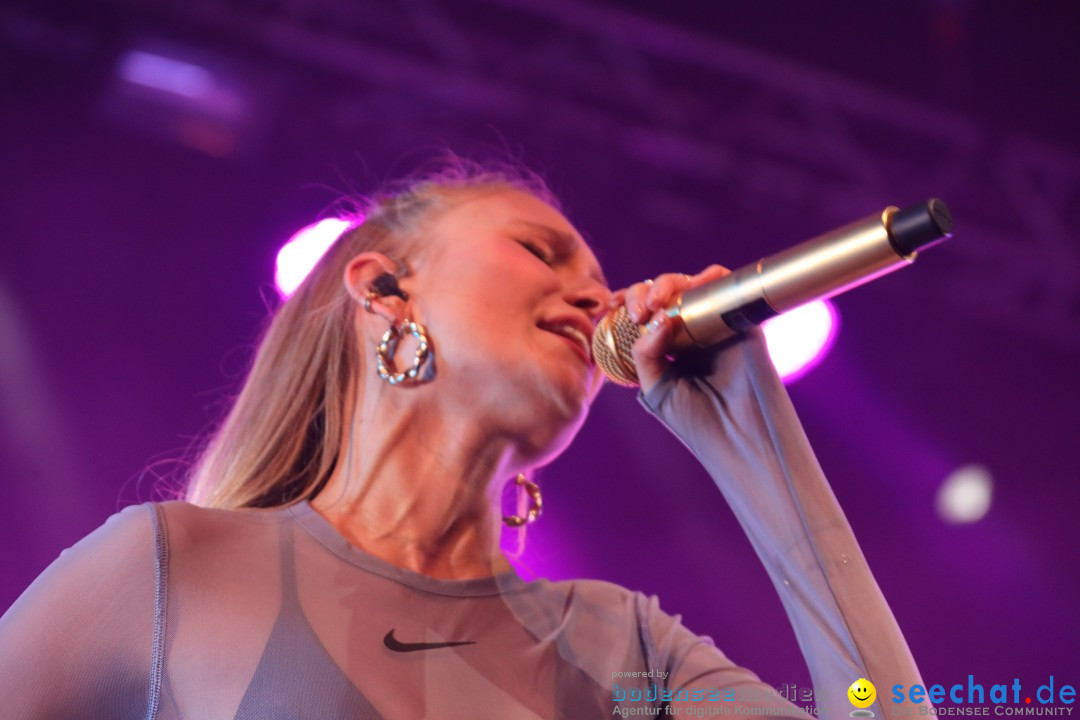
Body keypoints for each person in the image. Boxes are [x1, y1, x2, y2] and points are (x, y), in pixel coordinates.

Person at [0, 159, 930, 719]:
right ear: (385, 290)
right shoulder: (171, 568)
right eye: (542, 252)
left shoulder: (622, 648)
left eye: (599, 282)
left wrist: (756, 449)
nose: (595, 297)